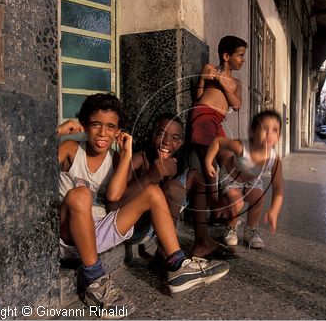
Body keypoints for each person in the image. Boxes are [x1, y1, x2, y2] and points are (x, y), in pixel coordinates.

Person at [57, 94, 230, 316]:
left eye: (111, 127)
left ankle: (177, 265)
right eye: (95, 125)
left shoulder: (117, 159)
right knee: (80, 195)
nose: (103, 133)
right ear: (84, 125)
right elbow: (34, 162)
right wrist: (60, 132)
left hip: (100, 231)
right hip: (69, 234)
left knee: (152, 192)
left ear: (119, 131)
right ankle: (94, 279)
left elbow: (113, 195)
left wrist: (127, 152)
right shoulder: (72, 148)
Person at [109, 113, 230, 258]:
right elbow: (114, 205)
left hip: (158, 225)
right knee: (172, 187)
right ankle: (165, 251)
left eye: (174, 138)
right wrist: (151, 176)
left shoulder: (173, 162)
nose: (167, 142)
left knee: (194, 176)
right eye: (161, 134)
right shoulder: (139, 159)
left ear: (179, 143)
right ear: (151, 135)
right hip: (136, 228)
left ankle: (202, 242)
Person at [204, 110, 284, 249]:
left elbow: (278, 188)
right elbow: (218, 142)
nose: (270, 134)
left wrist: (274, 210)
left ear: (279, 135)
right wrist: (208, 161)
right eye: (265, 129)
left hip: (252, 181)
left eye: (275, 130)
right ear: (252, 131)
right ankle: (231, 227)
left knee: (258, 198)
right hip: (231, 177)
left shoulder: (274, 159)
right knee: (237, 202)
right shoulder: (241, 147)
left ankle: (250, 231)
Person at [189, 35, 247, 220]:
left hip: (218, 122)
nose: (242, 60)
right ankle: (214, 209)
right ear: (226, 56)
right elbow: (198, 96)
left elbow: (236, 105)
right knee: (210, 165)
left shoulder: (236, 84)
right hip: (203, 116)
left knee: (229, 159)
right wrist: (202, 79)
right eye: (239, 55)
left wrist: (222, 82)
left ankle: (223, 202)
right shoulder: (210, 69)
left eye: (243, 55)